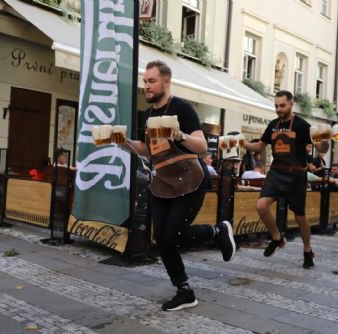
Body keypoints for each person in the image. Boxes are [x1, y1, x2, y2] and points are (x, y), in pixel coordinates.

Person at [122, 60, 235, 311]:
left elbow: (202, 146)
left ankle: (217, 232)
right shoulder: (149, 114)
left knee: (173, 234)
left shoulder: (182, 109)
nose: (146, 86)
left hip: (190, 178)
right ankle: (184, 291)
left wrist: (180, 135)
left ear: (166, 81)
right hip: (162, 181)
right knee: (161, 238)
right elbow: (149, 151)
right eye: (145, 81)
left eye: (151, 81)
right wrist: (125, 143)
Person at [244, 90, 317, 269]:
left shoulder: (302, 125)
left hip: (296, 175)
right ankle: (277, 238)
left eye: (282, 105)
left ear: (291, 104)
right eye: (276, 106)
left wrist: (324, 139)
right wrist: (242, 144)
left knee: (300, 218)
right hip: (276, 173)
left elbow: (320, 145)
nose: (278, 109)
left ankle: (308, 250)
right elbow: (260, 145)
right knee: (261, 206)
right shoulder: (273, 125)